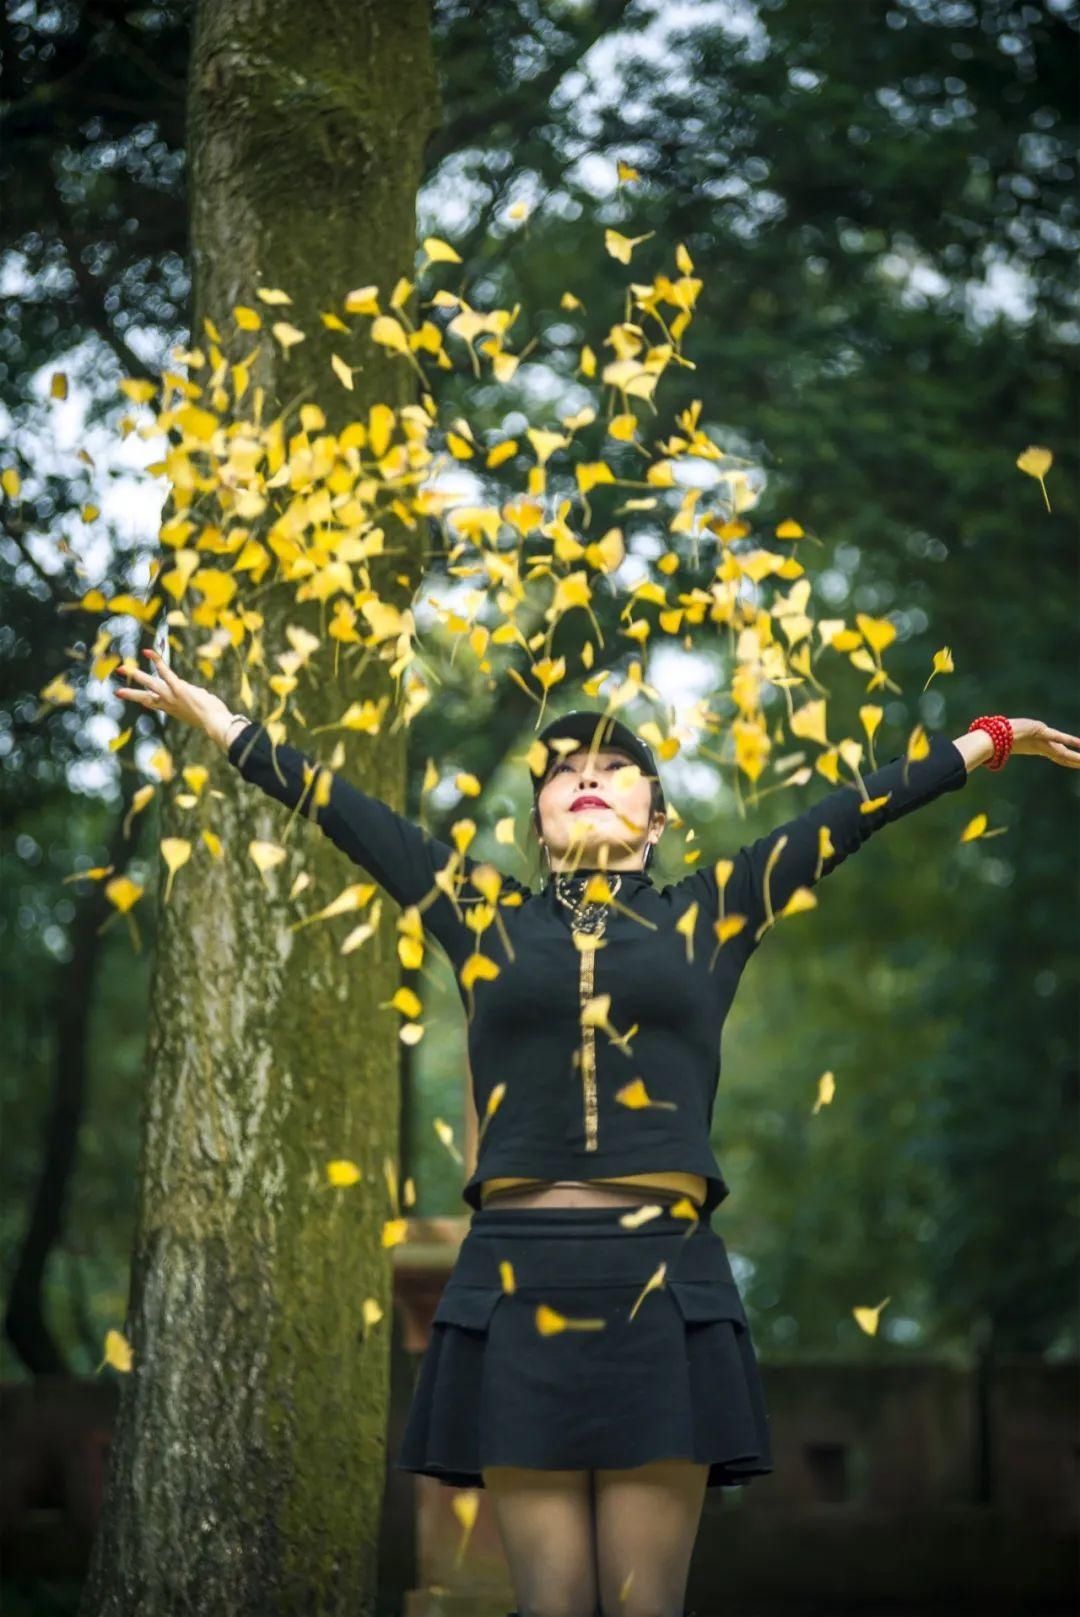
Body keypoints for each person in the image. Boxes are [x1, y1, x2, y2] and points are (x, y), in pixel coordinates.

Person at [115, 647, 1079, 1617]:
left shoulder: (715, 908)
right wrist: (219, 723)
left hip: (663, 1280)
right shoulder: (479, 915)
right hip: (512, 1279)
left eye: (616, 769)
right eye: (562, 772)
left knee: (644, 1604)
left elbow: (850, 814)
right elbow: (345, 815)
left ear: (659, 819)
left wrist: (991, 740)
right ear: (536, 822)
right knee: (553, 1605)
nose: (584, 776)